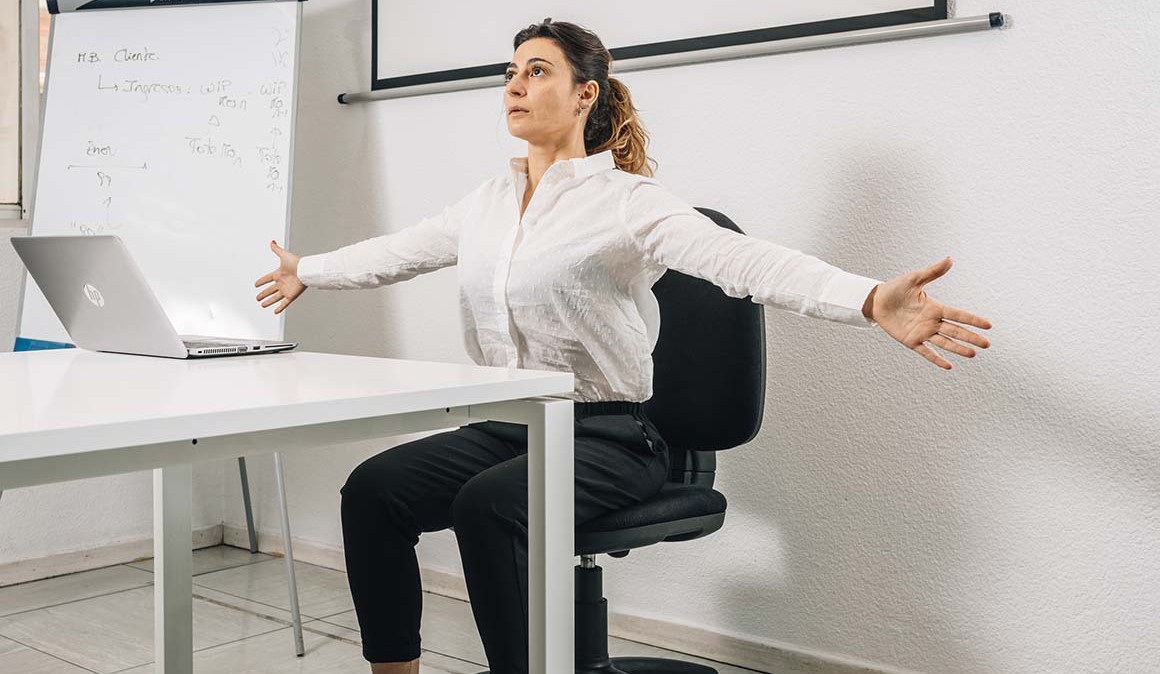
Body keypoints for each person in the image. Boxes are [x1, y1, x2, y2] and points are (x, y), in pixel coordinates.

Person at [253, 18, 993, 674]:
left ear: (585, 95)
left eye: (537, 71)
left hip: (610, 437)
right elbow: (396, 253)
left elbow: (747, 263)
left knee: (487, 508)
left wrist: (867, 299)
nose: (514, 85)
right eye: (509, 74)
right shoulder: (483, 206)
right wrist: (306, 272)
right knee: (374, 491)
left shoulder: (628, 204)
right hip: (510, 427)